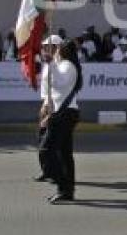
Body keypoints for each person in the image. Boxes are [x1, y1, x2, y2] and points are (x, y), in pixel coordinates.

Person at [40, 40, 82, 204]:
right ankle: (66, 191)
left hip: (65, 114)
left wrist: (51, 65)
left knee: (47, 149)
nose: (55, 51)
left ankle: (62, 185)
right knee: (64, 154)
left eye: (57, 49)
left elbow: (60, 83)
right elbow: (55, 88)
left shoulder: (67, 65)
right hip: (64, 113)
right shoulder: (64, 65)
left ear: (62, 51)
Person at [34, 35, 62, 184]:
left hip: (55, 108)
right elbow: (46, 90)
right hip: (46, 104)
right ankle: (46, 170)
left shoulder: (60, 66)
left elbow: (59, 90)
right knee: (41, 140)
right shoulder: (48, 65)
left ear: (56, 48)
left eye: (48, 47)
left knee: (50, 143)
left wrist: (50, 108)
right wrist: (44, 104)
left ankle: (56, 173)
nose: (44, 50)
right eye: (44, 47)